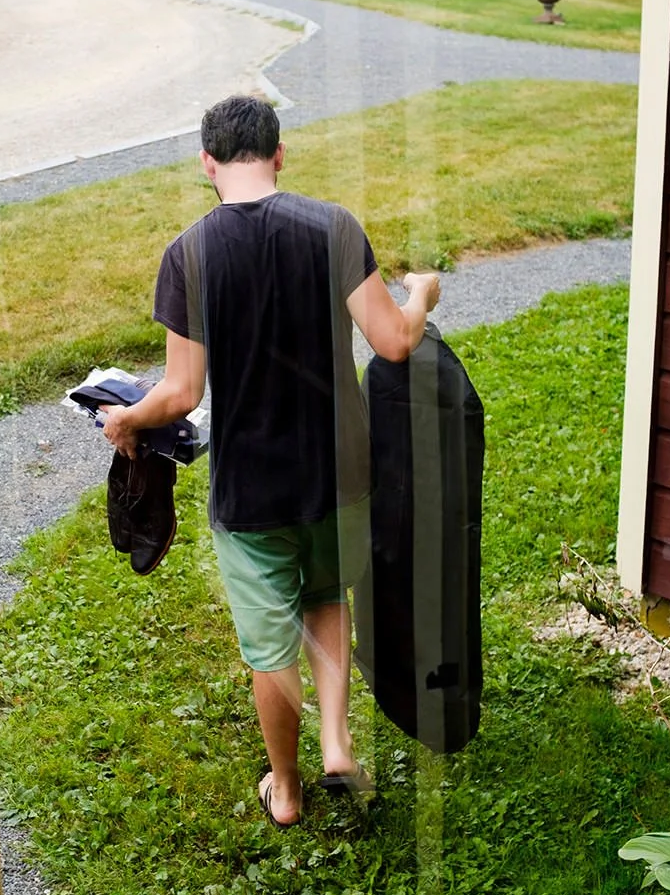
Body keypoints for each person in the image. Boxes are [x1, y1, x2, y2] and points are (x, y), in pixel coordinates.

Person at [100, 95, 441, 828]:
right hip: (340, 470)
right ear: (280, 154)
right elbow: (393, 341)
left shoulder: (187, 253)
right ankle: (337, 741)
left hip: (250, 484)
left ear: (207, 164)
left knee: (268, 643)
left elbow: (183, 391)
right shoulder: (335, 226)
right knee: (324, 596)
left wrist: (127, 415)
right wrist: (421, 296)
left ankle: (285, 789)